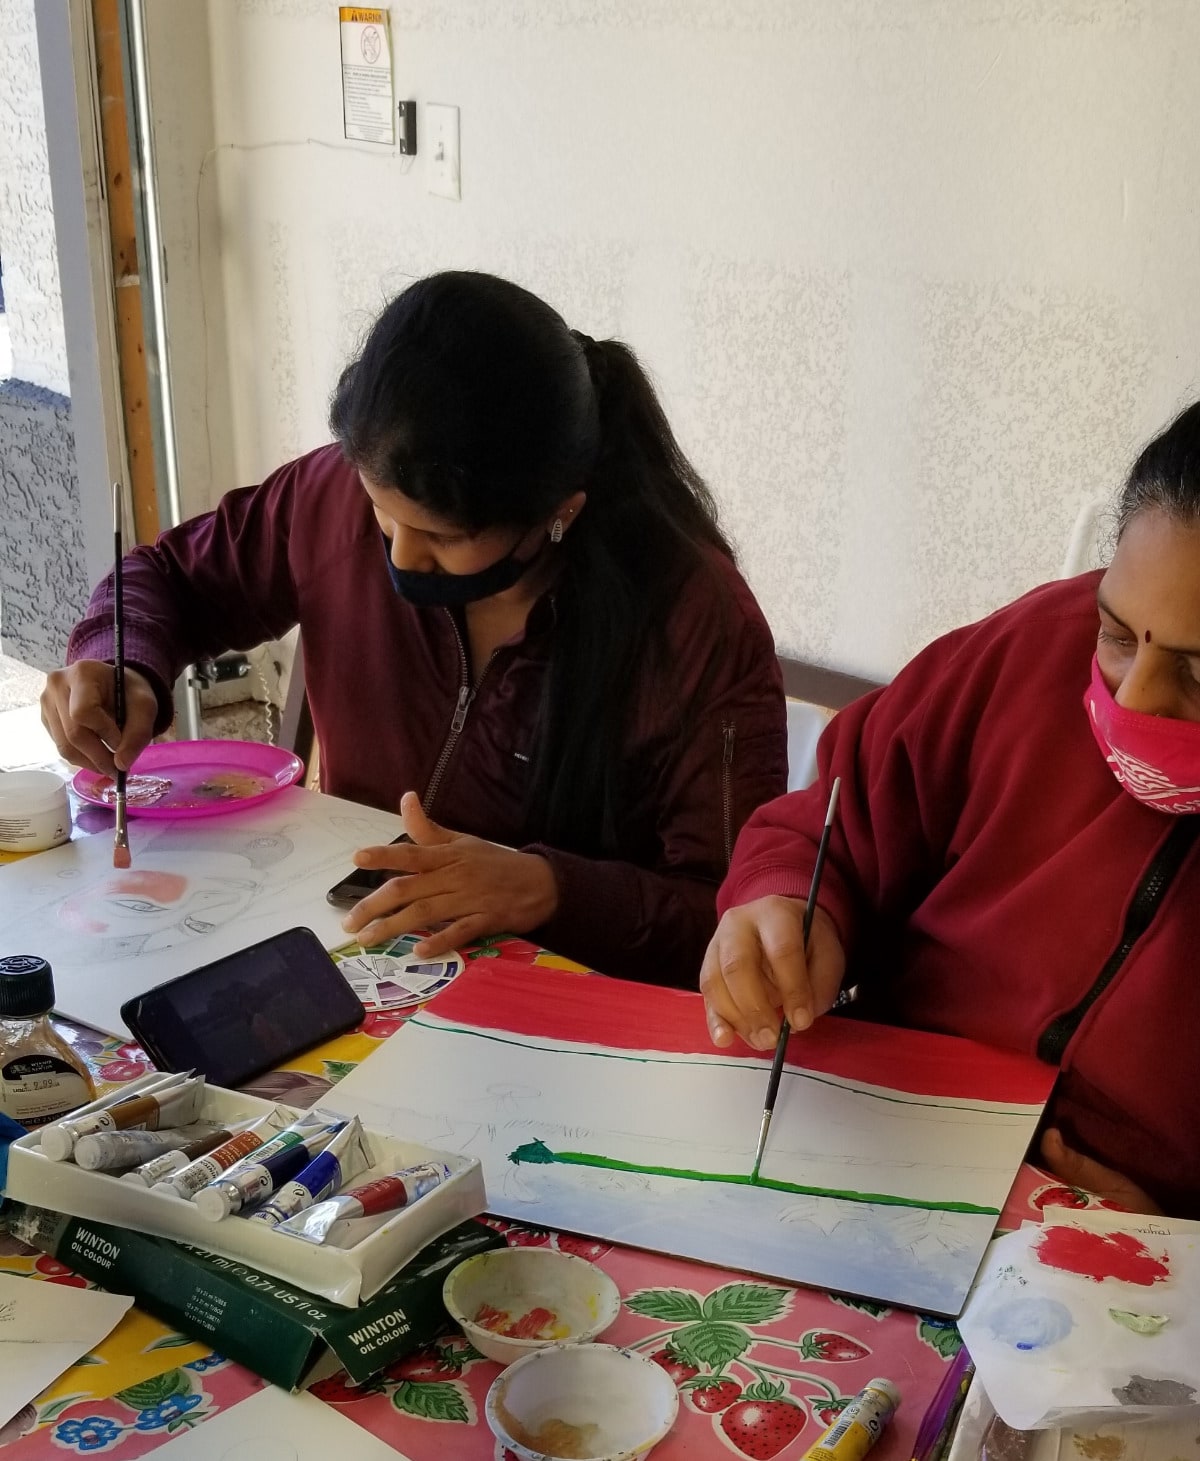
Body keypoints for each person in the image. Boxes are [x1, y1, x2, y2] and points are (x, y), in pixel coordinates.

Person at [42, 271, 787, 986]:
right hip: (350, 957)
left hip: (553, 1011)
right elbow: (173, 578)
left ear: (559, 511)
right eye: (381, 512)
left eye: (443, 537)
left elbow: (729, 914)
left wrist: (551, 888)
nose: (399, 555)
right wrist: (122, 661)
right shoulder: (330, 499)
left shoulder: (694, 623)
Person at [701, 402, 1200, 1218]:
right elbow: (832, 818)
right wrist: (785, 902)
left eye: (1198, 673)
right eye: (1116, 634)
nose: (1132, 698)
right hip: (878, 1138)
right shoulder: (1036, 645)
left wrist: (1179, 1244)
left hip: (1125, 1258)